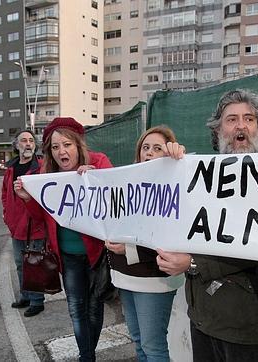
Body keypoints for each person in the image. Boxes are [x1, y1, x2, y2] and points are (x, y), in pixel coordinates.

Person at [156, 89, 258, 362]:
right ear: (218, 130)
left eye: (249, 119)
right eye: (231, 119)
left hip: (242, 323)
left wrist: (191, 264)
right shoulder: (199, 174)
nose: (241, 126)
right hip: (201, 316)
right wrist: (167, 166)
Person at [14, 117, 114, 362]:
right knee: (76, 309)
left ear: (78, 145)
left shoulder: (98, 161)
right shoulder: (45, 174)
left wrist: (97, 179)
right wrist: (28, 198)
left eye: (67, 145)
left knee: (94, 307)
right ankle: (87, 356)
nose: (61, 152)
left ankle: (87, 355)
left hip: (96, 253)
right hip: (67, 256)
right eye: (55, 147)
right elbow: (42, 218)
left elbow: (115, 199)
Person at [104, 125, 186, 362]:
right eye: (145, 147)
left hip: (153, 280)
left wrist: (129, 248)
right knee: (139, 342)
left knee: (154, 348)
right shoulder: (126, 181)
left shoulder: (174, 183)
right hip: (124, 275)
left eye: (157, 148)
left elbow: (169, 237)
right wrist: (88, 176)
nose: (149, 152)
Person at [1, 129, 46, 317]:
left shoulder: (42, 166)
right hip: (16, 227)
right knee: (20, 263)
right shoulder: (11, 168)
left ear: (34, 145)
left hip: (34, 226)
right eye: (23, 140)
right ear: (17, 145)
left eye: (30, 140)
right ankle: (26, 295)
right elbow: (4, 194)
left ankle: (37, 301)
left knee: (34, 264)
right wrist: (6, 214)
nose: (27, 144)